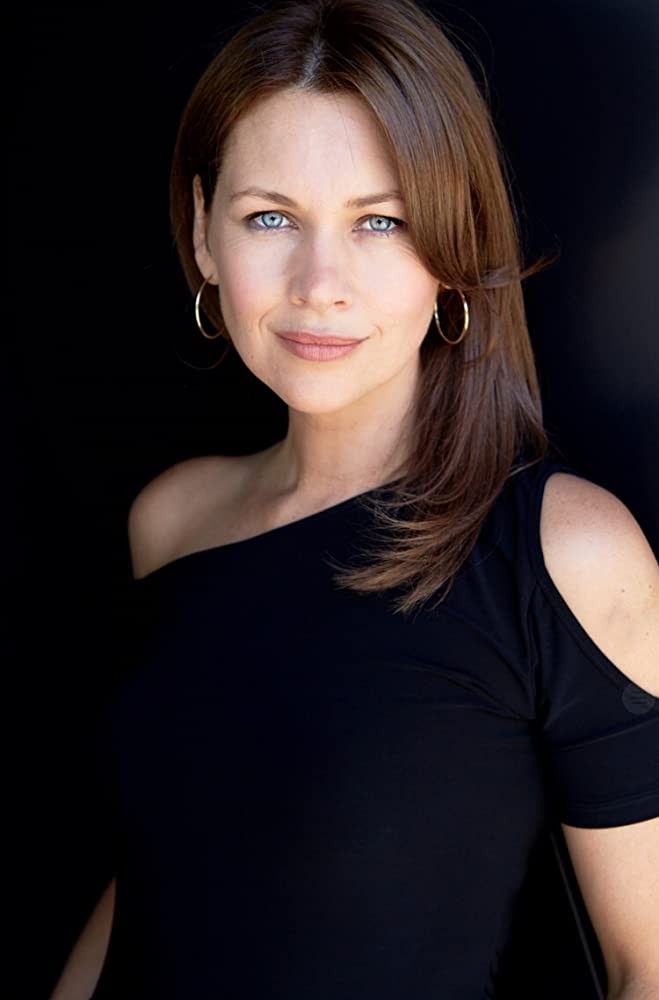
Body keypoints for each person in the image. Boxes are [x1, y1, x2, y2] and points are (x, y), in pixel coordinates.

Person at [50, 0, 659, 997]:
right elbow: (155, 883)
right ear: (203, 233)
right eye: (269, 217)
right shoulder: (169, 520)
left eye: (381, 220)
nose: (318, 282)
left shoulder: (564, 553)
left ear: (452, 242)